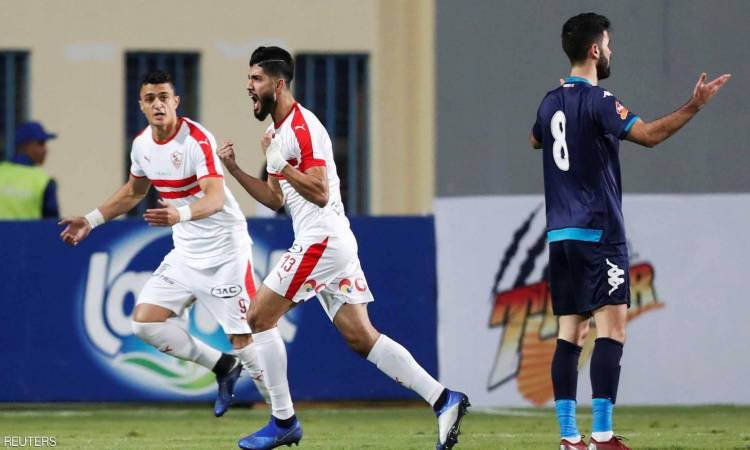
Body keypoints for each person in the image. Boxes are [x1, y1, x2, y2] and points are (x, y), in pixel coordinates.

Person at [217, 46, 469, 450]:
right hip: (330, 242)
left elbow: (318, 191)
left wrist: (281, 164)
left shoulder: (302, 128)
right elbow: (276, 199)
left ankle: (283, 420)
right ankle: (444, 399)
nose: (249, 86)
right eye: (249, 78)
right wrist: (235, 169)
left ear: (277, 85)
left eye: (256, 79)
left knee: (259, 316)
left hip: (321, 239)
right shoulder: (280, 134)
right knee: (361, 337)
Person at [530, 12, 730, 450]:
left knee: (569, 334)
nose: (611, 51)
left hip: (560, 235)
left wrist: (567, 124)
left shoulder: (549, 102)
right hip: (598, 232)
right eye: (608, 44)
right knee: (612, 329)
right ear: (594, 50)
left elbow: (536, 139)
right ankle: (602, 435)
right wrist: (694, 105)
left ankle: (569, 438)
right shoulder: (600, 101)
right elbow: (650, 135)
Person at [59, 70, 269, 417]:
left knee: (242, 339)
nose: (158, 104)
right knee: (145, 323)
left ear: (176, 102)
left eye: (163, 97)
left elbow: (215, 199)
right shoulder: (142, 145)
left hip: (224, 251)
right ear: (141, 106)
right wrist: (91, 219)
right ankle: (223, 366)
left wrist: (179, 214)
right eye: (150, 99)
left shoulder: (196, 140)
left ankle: (281, 416)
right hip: (186, 252)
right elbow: (134, 191)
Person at [0, 121, 59, 219]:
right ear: (25, 145)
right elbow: (52, 223)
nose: (46, 149)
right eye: (41, 143)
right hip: (29, 230)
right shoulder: (44, 181)